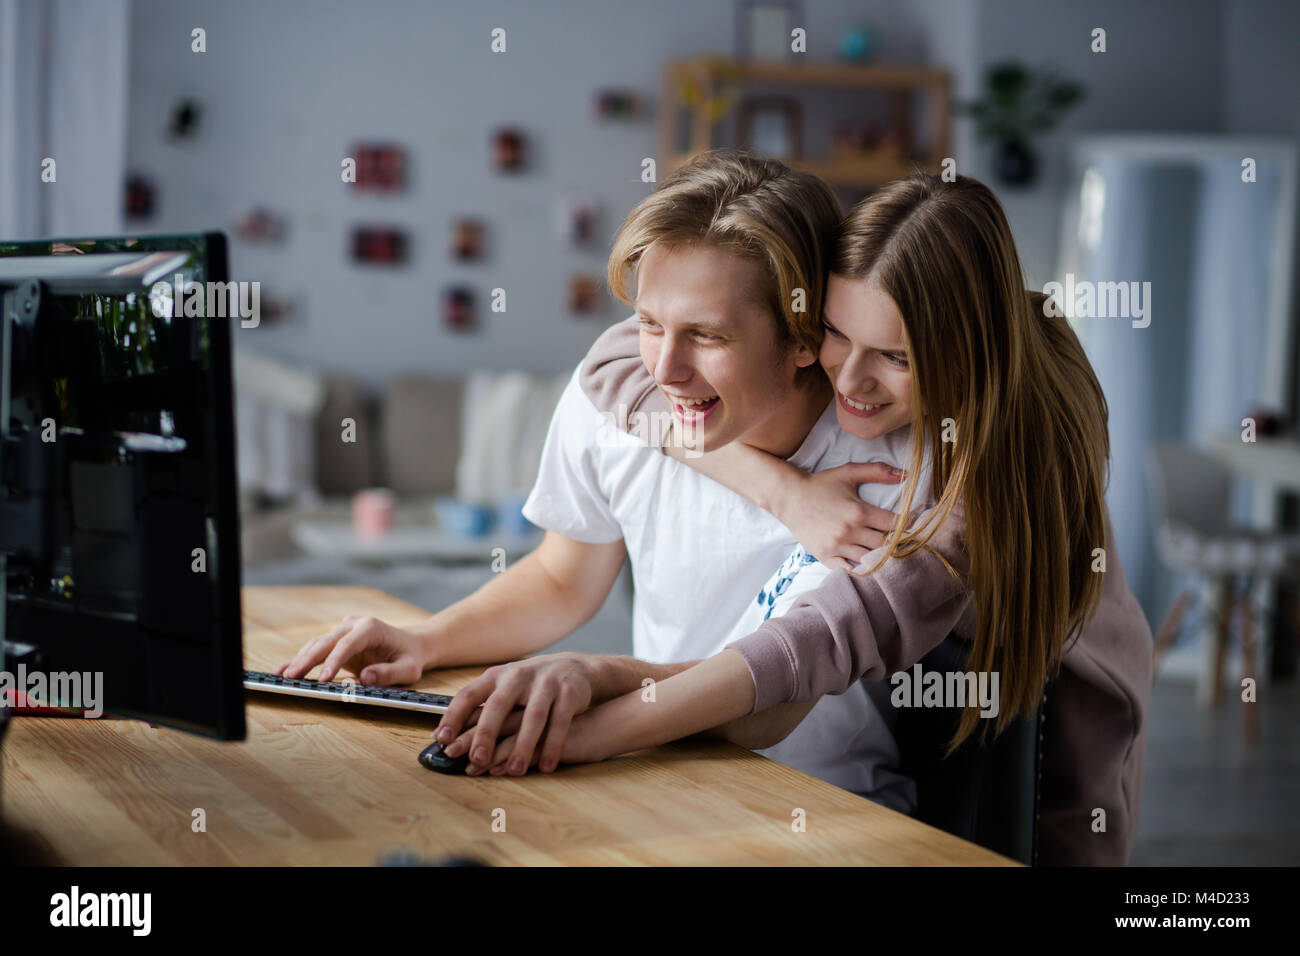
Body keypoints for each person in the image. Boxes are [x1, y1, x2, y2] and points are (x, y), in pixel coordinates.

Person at [449, 172, 1154, 867]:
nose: (845, 381)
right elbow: (610, 365)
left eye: (897, 357)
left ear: (966, 360)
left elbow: (823, 641)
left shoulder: (971, 469)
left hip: (1064, 697)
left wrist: (599, 722)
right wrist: (780, 489)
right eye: (836, 335)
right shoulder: (830, 404)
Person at [280, 151, 928, 809]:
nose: (666, 370)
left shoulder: (885, 464)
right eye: (650, 324)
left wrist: (597, 679)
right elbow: (563, 578)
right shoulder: (620, 403)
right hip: (651, 779)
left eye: (706, 336)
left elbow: (766, 699)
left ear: (803, 337)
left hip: (825, 807)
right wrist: (426, 640)